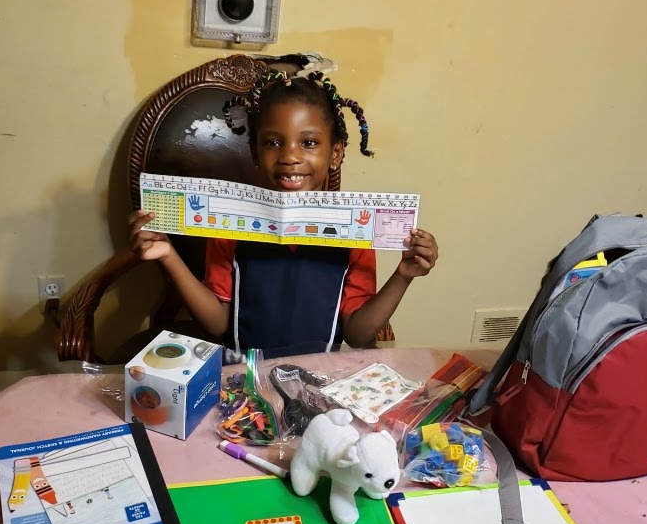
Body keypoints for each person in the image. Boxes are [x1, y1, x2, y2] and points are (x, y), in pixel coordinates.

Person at [128, 70, 438, 357]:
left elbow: (357, 335)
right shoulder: (229, 225)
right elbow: (219, 323)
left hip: (320, 380)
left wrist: (403, 276)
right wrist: (168, 254)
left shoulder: (356, 230)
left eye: (309, 143)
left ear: (336, 154)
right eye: (273, 142)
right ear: (256, 154)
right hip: (244, 377)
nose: (290, 156)